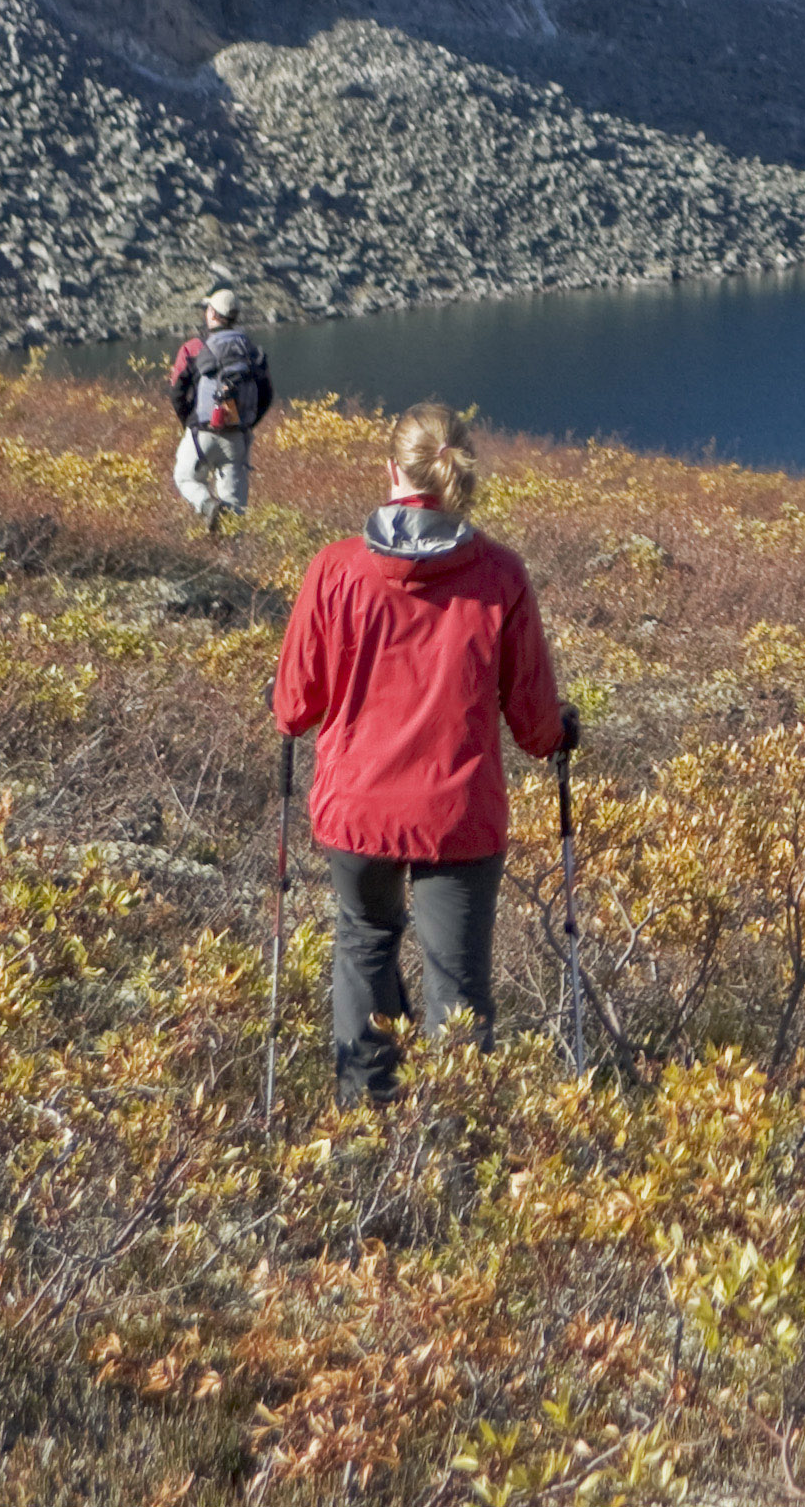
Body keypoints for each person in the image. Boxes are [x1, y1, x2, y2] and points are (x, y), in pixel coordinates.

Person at [271, 405, 570, 1100]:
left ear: (391, 473)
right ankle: (455, 1159)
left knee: (364, 942)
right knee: (458, 986)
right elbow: (534, 728)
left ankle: (366, 1132)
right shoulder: (499, 574)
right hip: (457, 815)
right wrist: (562, 731)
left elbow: (293, 708)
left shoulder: (335, 569)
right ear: (460, 474)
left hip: (356, 811)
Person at [166, 286, 273, 533]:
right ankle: (230, 559)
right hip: (236, 439)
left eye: (208, 308)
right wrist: (245, 424)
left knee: (186, 478)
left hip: (201, 433)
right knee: (234, 511)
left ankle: (206, 505)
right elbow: (266, 395)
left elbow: (177, 390)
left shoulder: (193, 348)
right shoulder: (253, 351)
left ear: (212, 314)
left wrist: (189, 423)